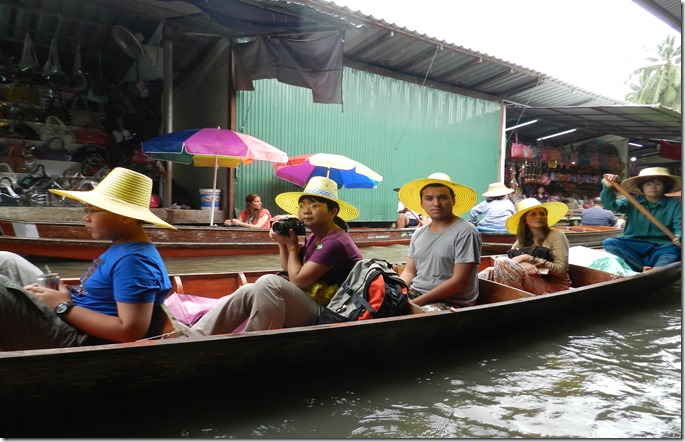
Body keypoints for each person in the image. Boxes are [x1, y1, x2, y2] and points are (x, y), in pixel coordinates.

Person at [0, 167, 175, 351]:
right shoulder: (122, 248)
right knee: (7, 261)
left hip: (79, 337)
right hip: (73, 314)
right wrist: (66, 296)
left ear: (125, 216)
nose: (86, 217)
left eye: (93, 210)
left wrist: (62, 306)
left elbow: (129, 332)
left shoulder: (134, 261)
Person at [191, 176, 363, 334]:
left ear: (333, 212)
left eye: (314, 206)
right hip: (313, 301)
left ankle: (251, 345)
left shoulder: (335, 241)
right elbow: (288, 269)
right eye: (302, 206)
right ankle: (195, 335)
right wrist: (283, 243)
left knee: (269, 283)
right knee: (248, 290)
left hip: (332, 312)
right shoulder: (315, 237)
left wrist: (292, 247)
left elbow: (298, 280)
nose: (306, 211)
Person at [397, 172, 481, 311]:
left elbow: (459, 282)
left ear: (453, 200)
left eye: (443, 197)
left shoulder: (466, 231)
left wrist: (414, 304)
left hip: (450, 301)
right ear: (422, 204)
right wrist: (398, 293)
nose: (436, 203)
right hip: (416, 293)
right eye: (429, 198)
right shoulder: (419, 233)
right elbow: (409, 272)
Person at [478, 198, 571, 295]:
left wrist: (529, 258)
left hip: (555, 286)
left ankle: (512, 301)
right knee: (489, 272)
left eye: (542, 214)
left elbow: (561, 270)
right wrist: (523, 265)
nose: (539, 217)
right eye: (533, 214)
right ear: (525, 220)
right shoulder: (523, 238)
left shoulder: (557, 236)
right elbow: (510, 262)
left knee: (502, 261)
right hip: (532, 280)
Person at [601, 167, 681, 272]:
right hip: (634, 243)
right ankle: (642, 267)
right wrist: (607, 188)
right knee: (610, 243)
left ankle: (657, 269)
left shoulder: (675, 205)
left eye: (658, 184)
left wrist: (680, 237)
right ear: (642, 187)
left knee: (674, 250)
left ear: (665, 187)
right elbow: (610, 205)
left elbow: (680, 227)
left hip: (661, 246)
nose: (653, 187)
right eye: (648, 184)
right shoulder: (632, 200)